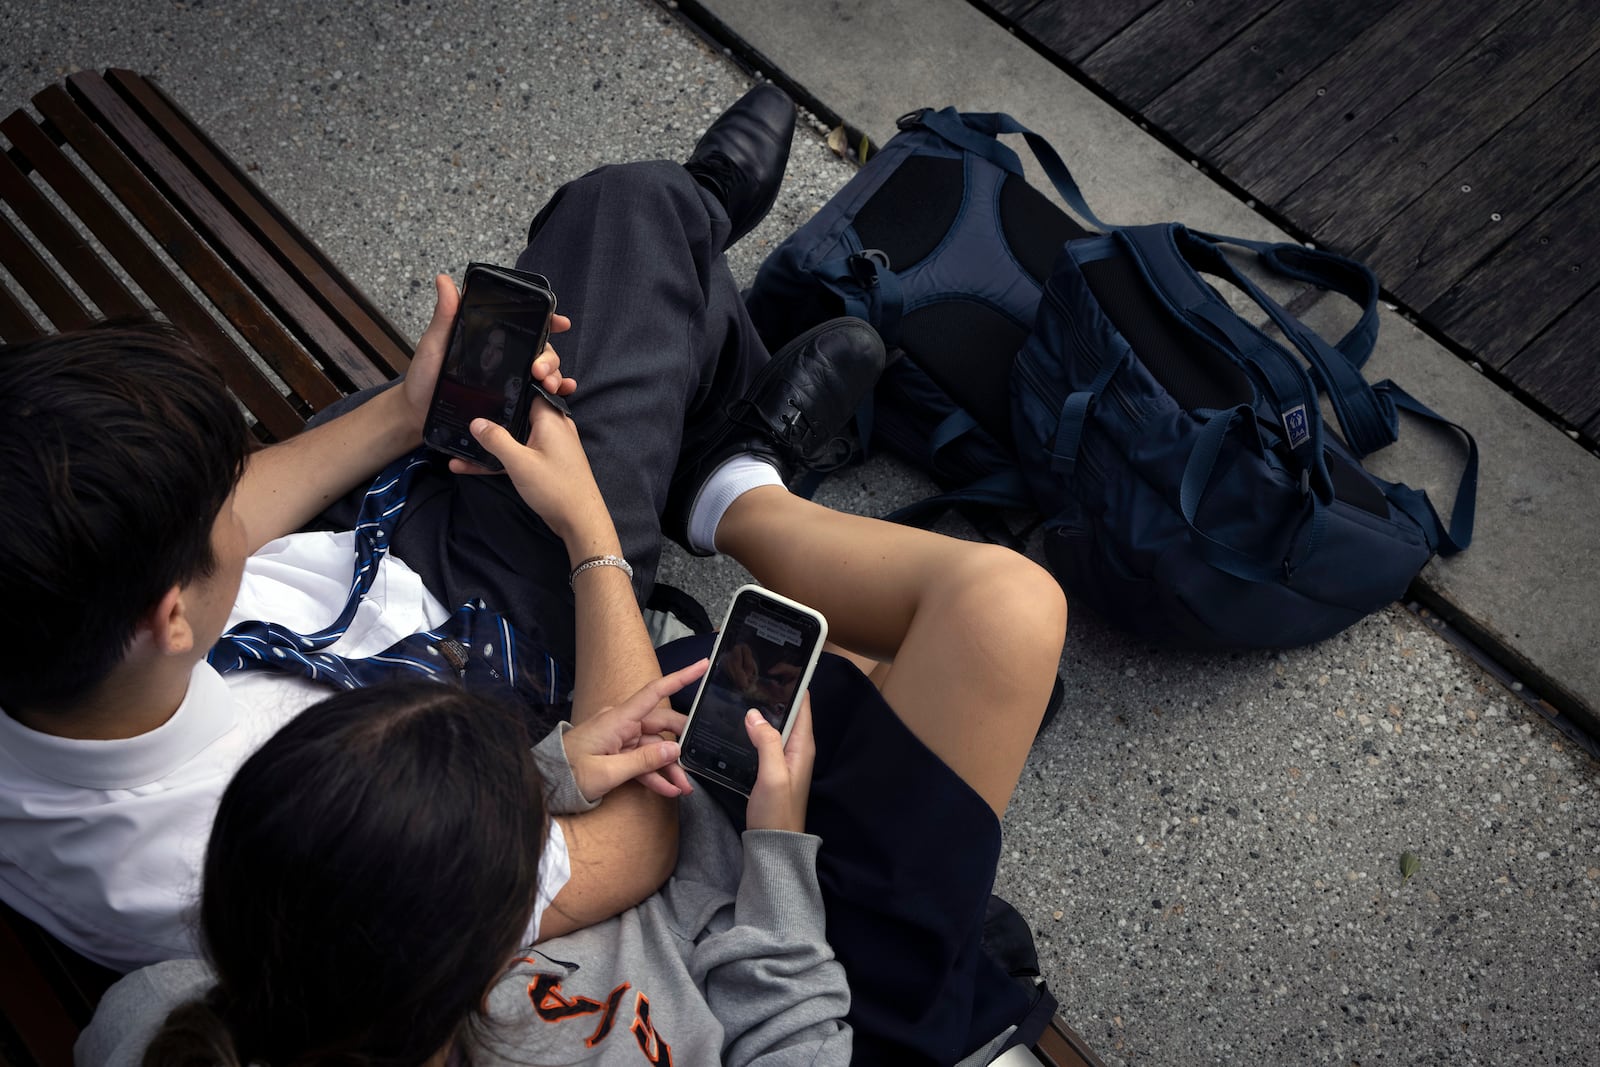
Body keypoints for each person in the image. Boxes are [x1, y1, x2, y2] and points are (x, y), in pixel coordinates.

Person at [4, 82, 1066, 1061]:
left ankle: (704, 394)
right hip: (555, 726)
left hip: (434, 655)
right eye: (212, 523)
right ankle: (731, 470)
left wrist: (402, 411)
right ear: (166, 614)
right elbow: (640, 849)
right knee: (956, 637)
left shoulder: (172, 997)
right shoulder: (286, 873)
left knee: (617, 243)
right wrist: (594, 539)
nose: (238, 499)